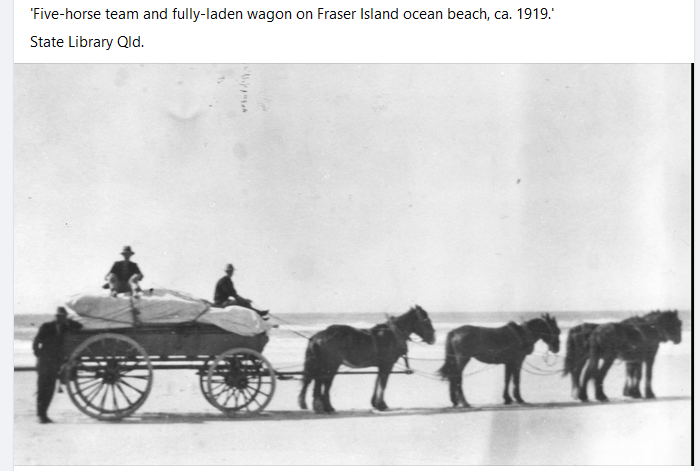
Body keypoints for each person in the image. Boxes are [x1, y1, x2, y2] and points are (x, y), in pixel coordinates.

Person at [32, 306, 83, 424]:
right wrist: (40, 356)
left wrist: (69, 321)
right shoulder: (46, 327)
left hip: (55, 363)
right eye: (59, 316)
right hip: (45, 362)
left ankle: (44, 415)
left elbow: (79, 326)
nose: (61, 318)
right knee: (42, 389)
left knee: (50, 389)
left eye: (63, 316)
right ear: (56, 317)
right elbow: (36, 342)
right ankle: (40, 415)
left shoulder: (66, 327)